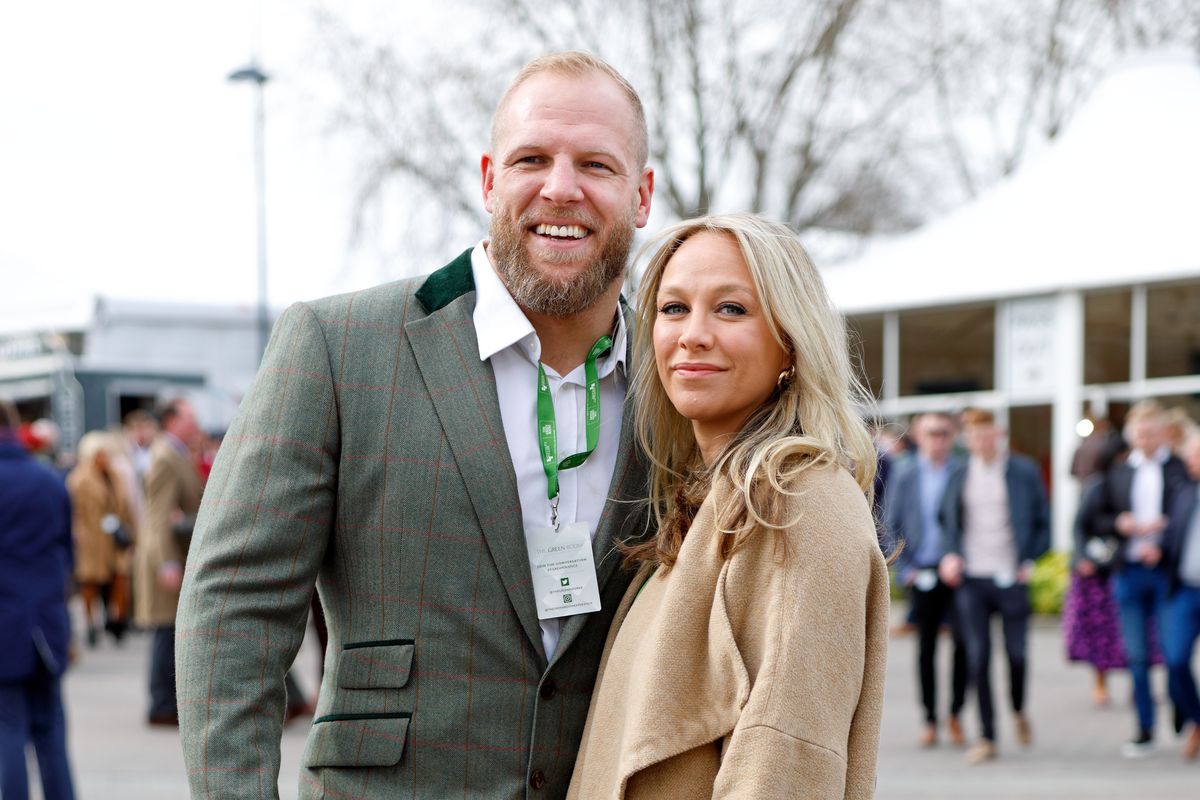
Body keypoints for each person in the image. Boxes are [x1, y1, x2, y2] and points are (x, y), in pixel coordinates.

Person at [176, 51, 655, 799]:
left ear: (643, 194)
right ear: (490, 179)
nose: (561, 188)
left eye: (596, 164)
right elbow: (234, 608)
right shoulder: (338, 346)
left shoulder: (679, 382)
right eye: (532, 159)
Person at [567, 214, 889, 799]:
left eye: (731, 309)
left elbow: (786, 759)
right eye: (673, 308)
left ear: (790, 341)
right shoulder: (705, 498)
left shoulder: (799, 502)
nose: (692, 334)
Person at [938, 409, 1050, 763]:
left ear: (999, 435)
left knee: (1017, 655)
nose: (982, 442)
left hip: (1011, 577)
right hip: (972, 578)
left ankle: (1018, 708)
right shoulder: (959, 472)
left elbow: (1043, 521)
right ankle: (987, 736)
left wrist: (1029, 560)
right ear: (968, 440)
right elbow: (946, 518)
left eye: (987, 435)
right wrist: (951, 554)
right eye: (975, 436)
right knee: (978, 656)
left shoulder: (1023, 471)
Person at [1079, 399, 1187, 756]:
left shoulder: (1179, 470)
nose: (1146, 439)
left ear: (1163, 433)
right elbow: (1096, 518)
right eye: (1140, 434)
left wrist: (1165, 539)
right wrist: (1120, 523)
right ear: (1131, 436)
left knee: (1174, 653)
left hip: (1167, 573)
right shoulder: (1120, 472)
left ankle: (1180, 704)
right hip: (1129, 571)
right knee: (1137, 656)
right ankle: (1144, 727)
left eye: (1152, 433)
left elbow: (1188, 516)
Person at [0, 399, 77, 800]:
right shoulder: (49, 480)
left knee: (9, 730)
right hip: (47, 620)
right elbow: (67, 554)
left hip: (5, 622)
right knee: (51, 732)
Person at [885, 411, 969, 747]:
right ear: (919, 436)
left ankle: (956, 714)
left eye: (944, 433)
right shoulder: (905, 473)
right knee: (926, 647)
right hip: (920, 571)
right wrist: (905, 568)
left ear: (952, 436)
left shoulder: (962, 470)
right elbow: (891, 522)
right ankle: (930, 718)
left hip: (957, 571)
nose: (938, 440)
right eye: (931, 433)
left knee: (964, 644)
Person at [134, 397, 204, 726]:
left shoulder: (175, 453)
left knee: (170, 631)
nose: (196, 423)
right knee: (166, 630)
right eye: (190, 417)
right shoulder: (165, 456)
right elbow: (158, 517)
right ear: (172, 421)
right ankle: (161, 705)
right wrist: (166, 563)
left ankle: (164, 703)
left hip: (173, 555)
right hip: (168, 556)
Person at [1064, 431, 1131, 707]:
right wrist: (1082, 558)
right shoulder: (1097, 485)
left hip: (1121, 566)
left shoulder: (1132, 482)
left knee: (1128, 631)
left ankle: (1135, 684)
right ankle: (1100, 682)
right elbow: (1080, 524)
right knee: (1100, 632)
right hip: (1096, 569)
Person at [66, 431, 136, 646]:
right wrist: (79, 533)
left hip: (114, 537)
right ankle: (90, 623)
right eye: (100, 454)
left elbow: (126, 506)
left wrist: (131, 531)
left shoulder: (115, 477)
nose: (104, 459)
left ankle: (117, 621)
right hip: (92, 540)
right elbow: (74, 511)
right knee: (91, 583)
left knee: (120, 578)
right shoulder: (79, 479)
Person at [1162, 430, 1200, 759]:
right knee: (1175, 659)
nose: (1189, 461)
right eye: (1189, 454)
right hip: (1186, 590)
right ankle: (1196, 720)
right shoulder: (1185, 492)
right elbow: (1172, 538)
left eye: (1196, 455)